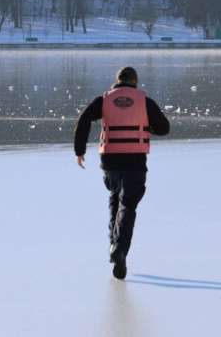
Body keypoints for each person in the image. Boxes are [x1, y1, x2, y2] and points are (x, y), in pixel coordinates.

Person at [74, 66, 170, 280]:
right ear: (135, 82)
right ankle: (120, 250)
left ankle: (114, 245)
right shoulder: (144, 101)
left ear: (116, 81)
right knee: (128, 205)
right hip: (135, 160)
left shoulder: (105, 100)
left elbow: (84, 119)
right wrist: (148, 127)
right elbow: (164, 128)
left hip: (110, 160)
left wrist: (79, 150)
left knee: (115, 199)